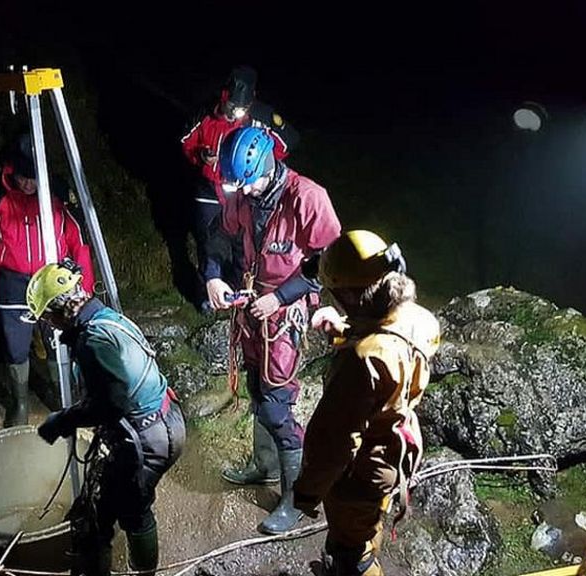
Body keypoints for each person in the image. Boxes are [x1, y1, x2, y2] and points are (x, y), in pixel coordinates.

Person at [206, 125, 341, 535]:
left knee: (276, 403)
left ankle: (297, 499)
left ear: (269, 166)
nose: (244, 193)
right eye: (238, 186)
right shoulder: (241, 192)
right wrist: (213, 275)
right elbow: (217, 236)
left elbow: (331, 263)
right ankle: (264, 466)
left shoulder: (307, 198)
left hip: (285, 311)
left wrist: (281, 298)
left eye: (251, 183)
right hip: (251, 303)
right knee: (254, 387)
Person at [292, 230, 441, 576]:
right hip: (396, 453)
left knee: (350, 552)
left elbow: (334, 441)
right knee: (368, 525)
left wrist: (306, 494)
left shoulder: (362, 361)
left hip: (362, 470)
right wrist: (346, 328)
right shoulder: (416, 318)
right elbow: (388, 341)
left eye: (336, 293)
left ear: (349, 293)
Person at [28, 261, 185, 576]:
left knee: (114, 514)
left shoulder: (94, 341)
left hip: (148, 437)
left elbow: (111, 405)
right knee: (123, 502)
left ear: (59, 312)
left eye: (47, 317)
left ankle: (125, 570)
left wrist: (63, 420)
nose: (49, 325)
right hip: (165, 421)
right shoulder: (105, 317)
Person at [0, 134, 94, 426]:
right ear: (12, 169)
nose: (28, 184)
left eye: (34, 178)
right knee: (16, 347)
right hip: (11, 284)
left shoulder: (59, 190)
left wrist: (85, 287)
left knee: (58, 341)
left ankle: (64, 399)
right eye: (23, 177)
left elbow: (79, 241)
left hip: (53, 281)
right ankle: (20, 402)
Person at [181, 66, 299, 314]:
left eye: (240, 108)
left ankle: (238, 290)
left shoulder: (262, 116)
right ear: (224, 97)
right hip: (210, 189)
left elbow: (288, 142)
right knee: (208, 239)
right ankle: (208, 292)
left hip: (244, 192)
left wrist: (262, 163)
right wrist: (201, 155)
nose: (235, 113)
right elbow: (186, 142)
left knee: (242, 243)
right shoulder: (205, 113)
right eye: (231, 106)